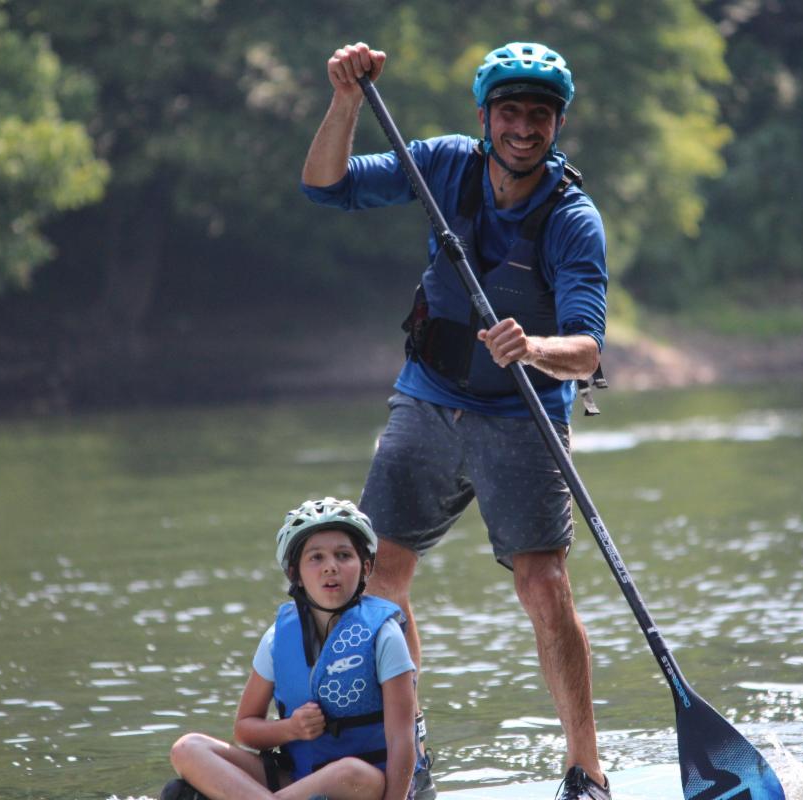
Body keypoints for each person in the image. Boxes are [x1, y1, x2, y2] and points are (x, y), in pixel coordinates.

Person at [301, 41, 611, 800]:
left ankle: (586, 769)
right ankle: (408, 758)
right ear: (484, 116)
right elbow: (327, 186)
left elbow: (588, 349)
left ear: (558, 124)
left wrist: (533, 347)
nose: (523, 127)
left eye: (539, 115)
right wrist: (346, 99)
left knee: (543, 584)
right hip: (430, 398)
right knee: (380, 577)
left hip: (522, 414)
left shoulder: (573, 219)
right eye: (510, 112)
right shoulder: (445, 166)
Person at [160, 498, 418, 800]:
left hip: (363, 786)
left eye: (344, 555)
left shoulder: (385, 636)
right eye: (316, 557)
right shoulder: (276, 639)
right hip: (296, 781)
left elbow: (402, 739)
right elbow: (245, 730)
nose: (330, 567)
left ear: (366, 567)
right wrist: (291, 729)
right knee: (188, 748)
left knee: (348, 771)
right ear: (295, 574)